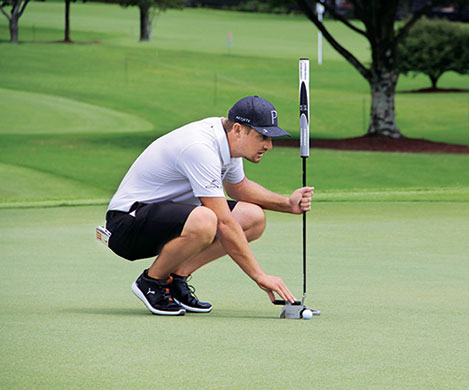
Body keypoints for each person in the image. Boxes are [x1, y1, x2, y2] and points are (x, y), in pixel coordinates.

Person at [104, 96, 314, 316]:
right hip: (128, 224)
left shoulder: (227, 141)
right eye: (262, 136)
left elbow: (238, 188)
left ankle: (176, 278)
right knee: (207, 219)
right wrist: (259, 276)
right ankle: (151, 281)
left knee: (253, 218)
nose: (269, 146)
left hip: (165, 219)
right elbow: (223, 221)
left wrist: (287, 204)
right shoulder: (200, 147)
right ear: (238, 130)